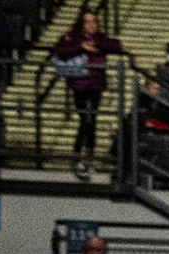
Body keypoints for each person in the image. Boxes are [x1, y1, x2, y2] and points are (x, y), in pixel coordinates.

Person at [52, 11, 124, 175]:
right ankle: (81, 155)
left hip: (96, 85)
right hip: (80, 84)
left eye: (94, 22)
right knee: (87, 118)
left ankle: (84, 155)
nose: (92, 25)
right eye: (88, 22)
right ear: (81, 24)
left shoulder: (100, 38)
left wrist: (96, 44)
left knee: (91, 119)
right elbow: (61, 50)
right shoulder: (73, 38)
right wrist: (81, 47)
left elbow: (116, 45)